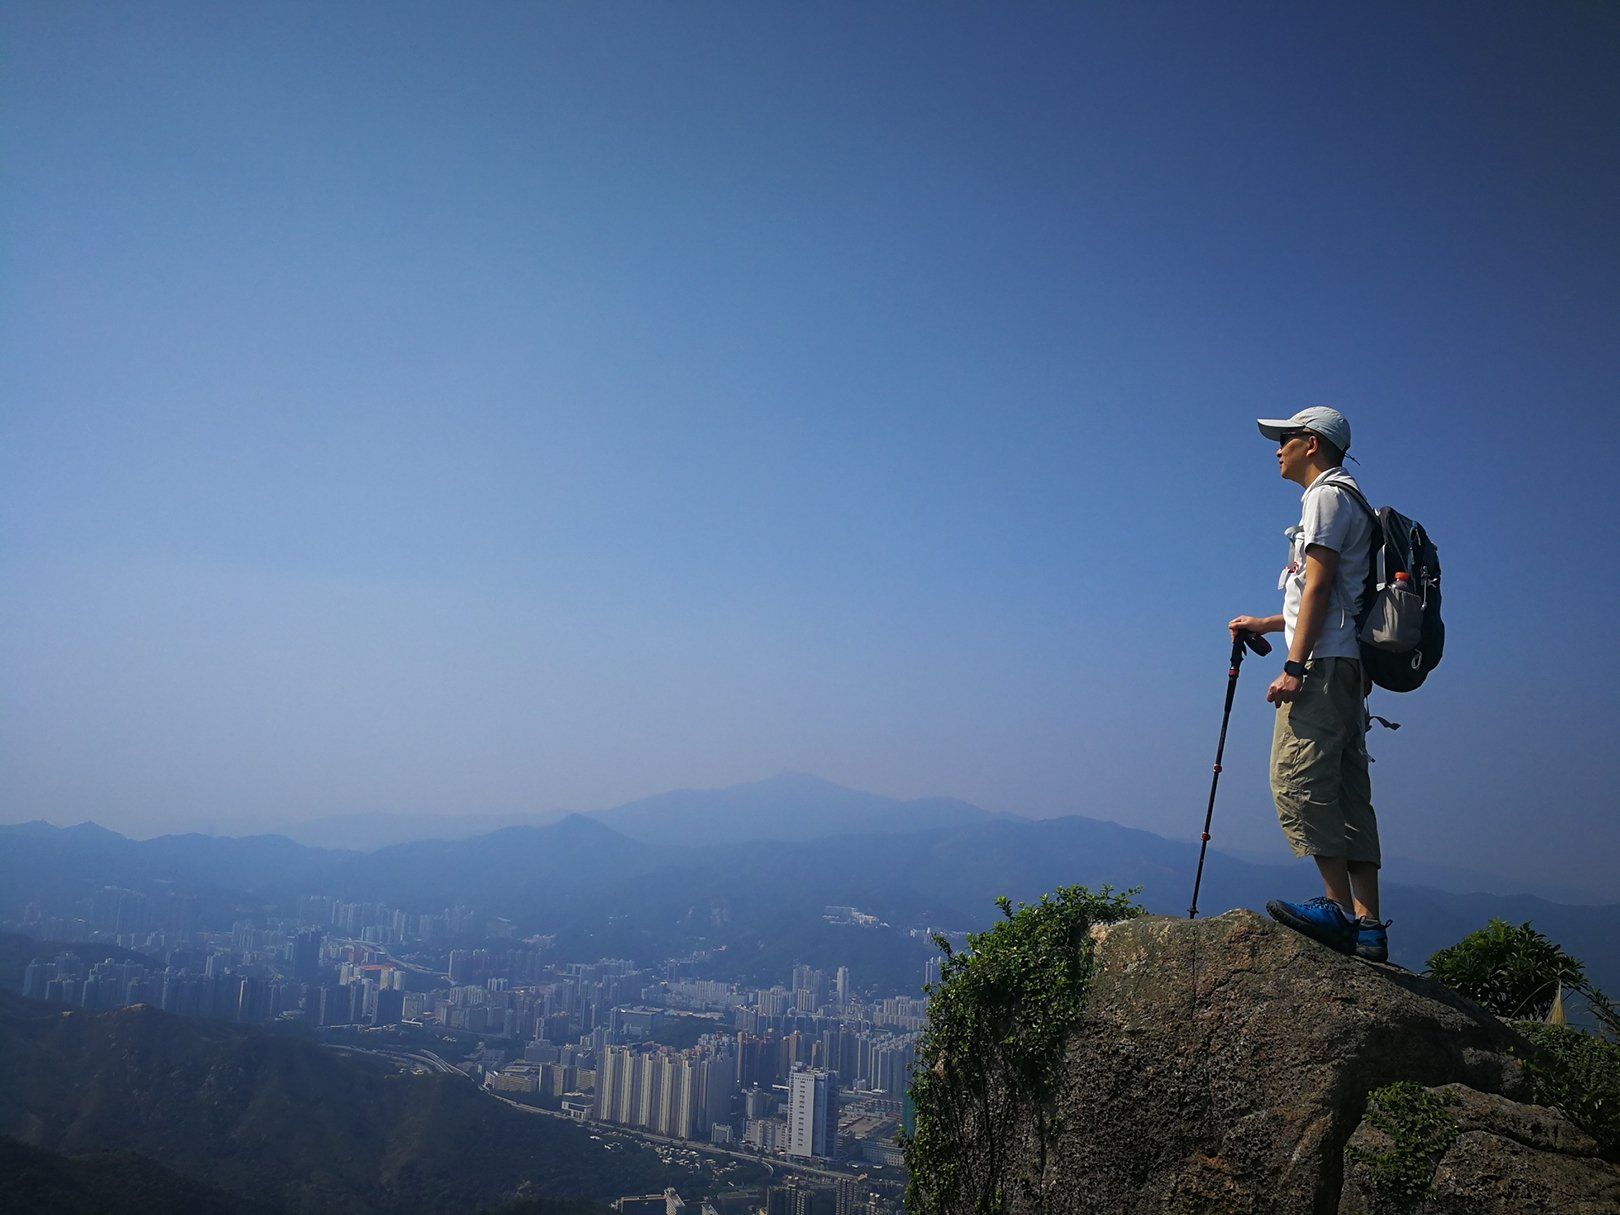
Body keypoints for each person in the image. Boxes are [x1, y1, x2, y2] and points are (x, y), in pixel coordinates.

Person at [1227, 406, 1391, 962]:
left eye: (1286, 439)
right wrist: (1267, 622)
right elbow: (1331, 596)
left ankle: (1337, 912)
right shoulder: (1352, 499)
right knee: (1346, 792)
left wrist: (1294, 668)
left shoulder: (1324, 497)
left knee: (1297, 781)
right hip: (1347, 666)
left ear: (1313, 444)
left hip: (1321, 667)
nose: (1278, 449)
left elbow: (1319, 587)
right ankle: (1368, 925)